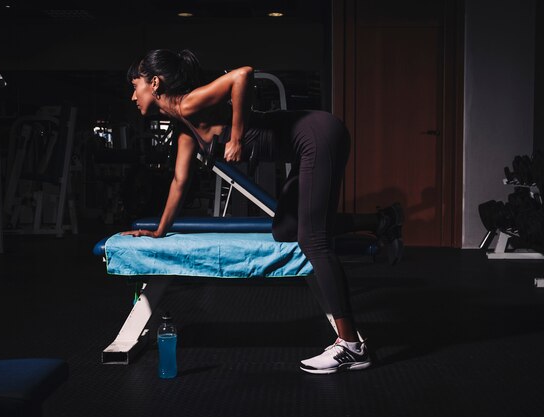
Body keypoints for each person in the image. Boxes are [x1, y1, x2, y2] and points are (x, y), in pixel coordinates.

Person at [122, 49, 403, 374]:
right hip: (307, 146)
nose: (132, 96)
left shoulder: (188, 102)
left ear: (154, 83)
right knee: (285, 229)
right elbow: (179, 183)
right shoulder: (186, 129)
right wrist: (158, 231)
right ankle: (380, 220)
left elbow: (242, 73)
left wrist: (237, 136)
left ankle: (351, 345)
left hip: (317, 135)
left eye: (135, 86)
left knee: (313, 240)